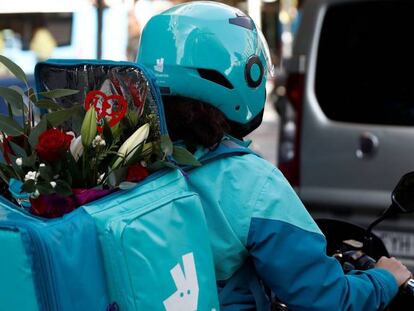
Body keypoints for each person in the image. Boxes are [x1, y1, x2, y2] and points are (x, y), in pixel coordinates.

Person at [137, 2, 412, 310]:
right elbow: (325, 299)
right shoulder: (253, 184)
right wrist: (385, 279)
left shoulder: (121, 163)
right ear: (245, 77)